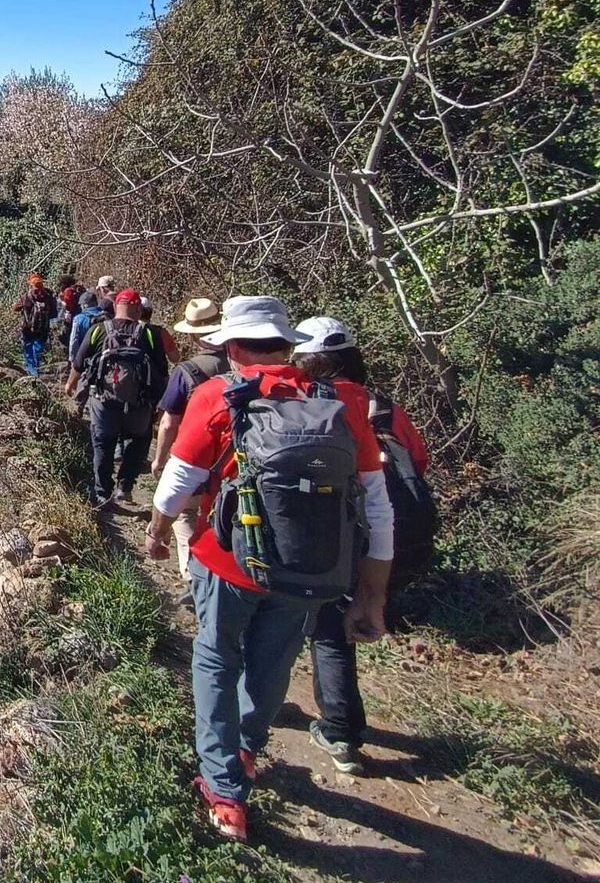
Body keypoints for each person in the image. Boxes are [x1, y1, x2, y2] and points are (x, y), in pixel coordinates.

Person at [144, 296, 394, 844]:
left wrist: (160, 531)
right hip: (311, 569)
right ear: (290, 346)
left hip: (227, 560)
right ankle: (245, 749)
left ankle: (224, 788)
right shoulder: (345, 402)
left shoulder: (219, 394)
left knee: (214, 657)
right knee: (273, 662)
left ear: (232, 348)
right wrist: (372, 593)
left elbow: (177, 486)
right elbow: (376, 505)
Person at [292, 316, 435, 778]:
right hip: (380, 536)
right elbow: (418, 461)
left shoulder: (305, 399)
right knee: (334, 629)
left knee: (307, 627)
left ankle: (301, 720)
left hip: (318, 534)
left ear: (307, 359)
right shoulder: (383, 408)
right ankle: (341, 733)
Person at [66, 288, 170, 507]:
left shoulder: (98, 330)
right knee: (137, 442)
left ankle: (103, 493)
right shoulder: (150, 333)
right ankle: (125, 487)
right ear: (139, 309)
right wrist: (162, 404)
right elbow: (162, 370)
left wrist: (70, 385)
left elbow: (79, 362)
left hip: (103, 402)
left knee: (102, 445)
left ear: (115, 307)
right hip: (140, 404)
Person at [149, 298, 228, 584]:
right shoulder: (244, 365)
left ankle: (193, 574)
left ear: (193, 334)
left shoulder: (188, 371)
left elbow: (170, 422)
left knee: (186, 514)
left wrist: (159, 458)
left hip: (196, 457)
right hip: (239, 462)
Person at [11, 273, 57, 376]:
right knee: (38, 349)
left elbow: (15, 308)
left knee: (28, 350)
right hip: (43, 328)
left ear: (31, 285)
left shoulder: (27, 296)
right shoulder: (48, 296)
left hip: (28, 329)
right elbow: (54, 314)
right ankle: (38, 370)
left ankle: (32, 373)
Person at [66, 288, 107, 364]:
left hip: (85, 356)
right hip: (103, 355)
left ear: (85, 305)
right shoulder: (106, 316)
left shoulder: (78, 319)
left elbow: (74, 340)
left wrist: (73, 359)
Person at [140, 298, 182, 364]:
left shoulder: (126, 332)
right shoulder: (162, 332)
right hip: (158, 373)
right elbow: (175, 358)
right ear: (151, 312)